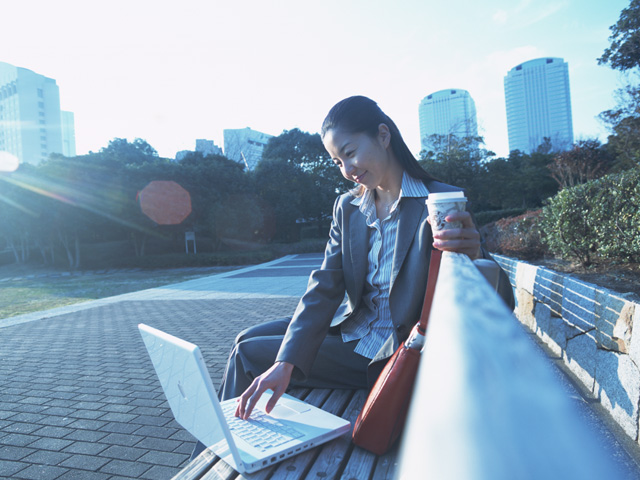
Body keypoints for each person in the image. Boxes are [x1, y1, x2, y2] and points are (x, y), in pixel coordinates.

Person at [221, 95, 514, 424]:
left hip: (392, 350)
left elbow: (502, 302)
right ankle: (248, 439)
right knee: (245, 338)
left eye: (349, 153)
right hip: (354, 328)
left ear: (383, 136)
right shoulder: (348, 208)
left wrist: (473, 253)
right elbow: (325, 287)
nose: (348, 170)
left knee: (247, 355)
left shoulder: (439, 202)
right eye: (337, 162)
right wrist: (285, 361)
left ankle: (225, 456)